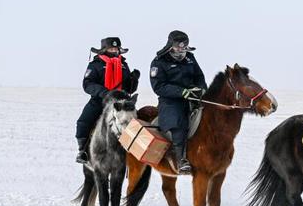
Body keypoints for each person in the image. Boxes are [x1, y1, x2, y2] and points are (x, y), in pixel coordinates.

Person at [150, 31, 207, 175]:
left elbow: (199, 76)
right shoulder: (159, 62)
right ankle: (181, 160)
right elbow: (159, 87)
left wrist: (201, 89)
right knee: (179, 123)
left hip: (193, 97)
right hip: (171, 101)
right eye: (178, 47)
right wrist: (181, 92)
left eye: (184, 47)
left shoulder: (190, 58)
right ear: (171, 46)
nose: (181, 50)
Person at [75, 37, 140, 164]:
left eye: (116, 48)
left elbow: (129, 88)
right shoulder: (95, 65)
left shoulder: (123, 64)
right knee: (83, 122)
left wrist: (134, 80)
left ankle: (136, 152)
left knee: (133, 122)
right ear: (104, 50)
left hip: (120, 102)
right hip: (100, 100)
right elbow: (87, 84)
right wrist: (104, 92)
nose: (114, 50)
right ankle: (82, 151)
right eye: (111, 48)